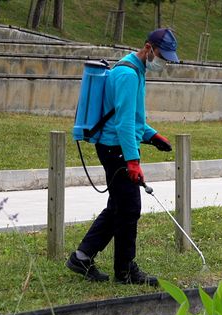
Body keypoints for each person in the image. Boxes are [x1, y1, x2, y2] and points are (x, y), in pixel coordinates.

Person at [66, 28, 179, 285]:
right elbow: (124, 124)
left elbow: (130, 117)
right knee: (129, 209)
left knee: (118, 207)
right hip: (115, 149)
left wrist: (152, 135)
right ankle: (126, 271)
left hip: (115, 147)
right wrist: (133, 161)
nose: (164, 62)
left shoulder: (135, 70)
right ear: (148, 47)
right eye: (163, 55)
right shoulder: (128, 75)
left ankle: (82, 257)